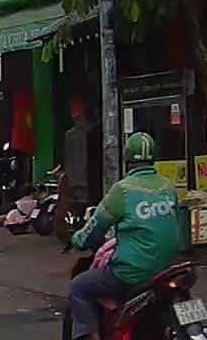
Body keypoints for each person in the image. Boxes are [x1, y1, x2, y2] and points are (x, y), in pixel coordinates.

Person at [67, 132, 179, 340]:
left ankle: (91, 336)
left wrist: (78, 240)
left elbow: (95, 228)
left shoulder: (122, 190)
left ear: (126, 159)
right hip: (167, 268)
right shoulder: (168, 187)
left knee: (79, 287)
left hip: (131, 273)